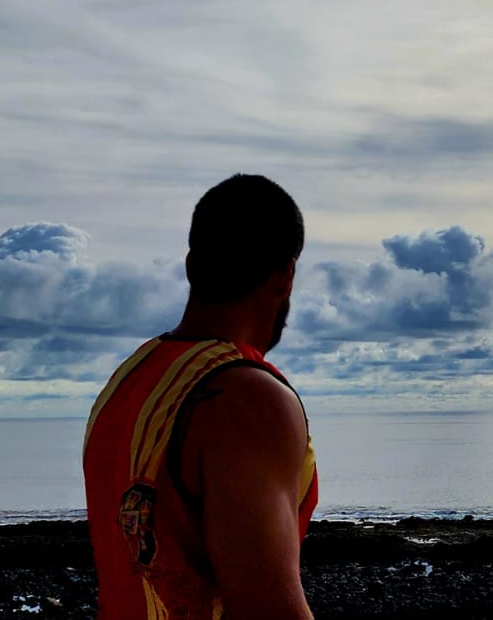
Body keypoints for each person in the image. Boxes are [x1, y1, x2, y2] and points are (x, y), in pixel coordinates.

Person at [83, 174, 318, 619]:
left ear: (191, 266)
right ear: (286, 276)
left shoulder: (129, 380)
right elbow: (268, 608)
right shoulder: (247, 399)